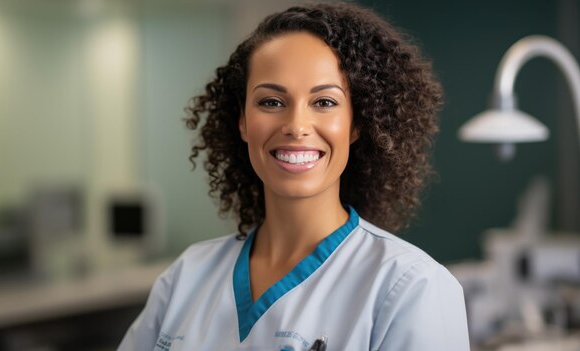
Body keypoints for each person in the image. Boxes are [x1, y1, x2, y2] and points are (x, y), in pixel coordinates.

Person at [119, 3, 469, 350]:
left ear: (357, 124)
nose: (296, 127)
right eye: (271, 102)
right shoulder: (188, 275)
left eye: (325, 102)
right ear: (242, 120)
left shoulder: (409, 286)